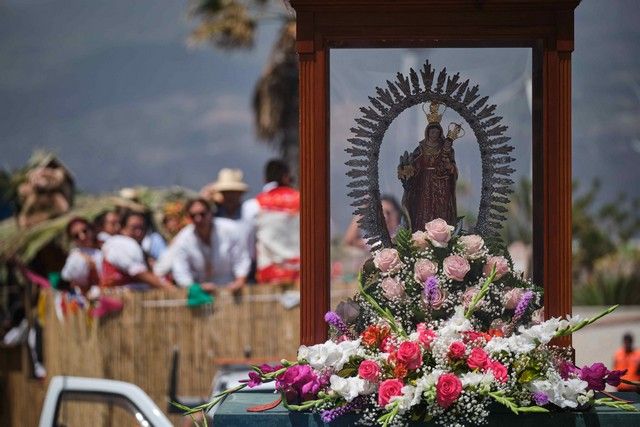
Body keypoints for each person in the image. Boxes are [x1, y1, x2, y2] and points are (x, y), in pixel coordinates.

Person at [397, 101, 461, 231]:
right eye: (432, 132)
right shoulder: (420, 149)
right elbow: (413, 166)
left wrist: (450, 167)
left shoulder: (447, 149)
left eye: (436, 133)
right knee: (423, 210)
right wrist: (406, 170)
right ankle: (420, 235)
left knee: (440, 211)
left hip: (441, 186)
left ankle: (441, 235)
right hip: (423, 184)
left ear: (440, 133)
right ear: (427, 133)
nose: (434, 135)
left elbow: (453, 169)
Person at [171, 198, 250, 294]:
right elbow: (180, 271)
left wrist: (239, 282)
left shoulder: (230, 229)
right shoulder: (183, 239)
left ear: (211, 213)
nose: (198, 219)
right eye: (193, 216)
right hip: (201, 295)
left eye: (202, 214)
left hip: (231, 291)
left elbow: (242, 259)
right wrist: (195, 287)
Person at [253, 159, 300, 284]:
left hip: (269, 276)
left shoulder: (255, 204)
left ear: (265, 179)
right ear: (286, 177)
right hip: (300, 273)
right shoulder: (303, 200)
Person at [100, 210, 172, 290]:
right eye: (133, 228)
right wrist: (170, 289)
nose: (139, 232)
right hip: (122, 299)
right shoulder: (118, 243)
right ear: (122, 228)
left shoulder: (139, 248)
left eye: (142, 228)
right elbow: (137, 272)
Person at [61, 217, 103, 292]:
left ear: (91, 230)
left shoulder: (104, 245)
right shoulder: (76, 257)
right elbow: (69, 280)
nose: (82, 237)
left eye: (84, 231)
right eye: (76, 236)